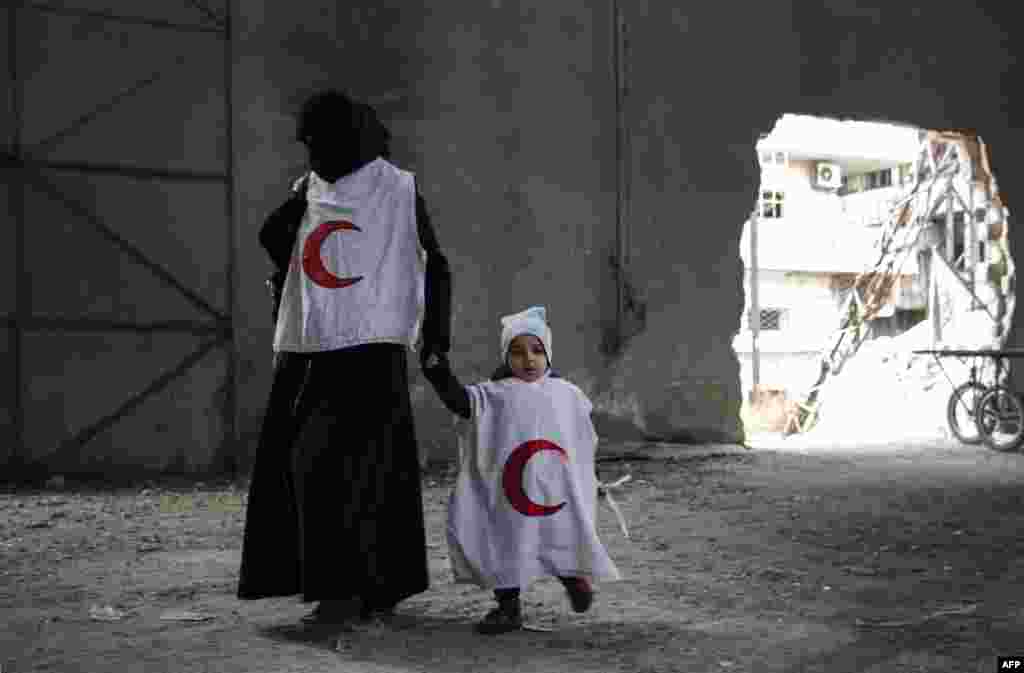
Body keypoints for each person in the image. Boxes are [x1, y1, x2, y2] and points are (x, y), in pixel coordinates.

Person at [237, 90, 453, 626]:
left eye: (317, 141)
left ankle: (359, 591)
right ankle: (347, 587)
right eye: (306, 142)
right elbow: (274, 238)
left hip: (368, 348)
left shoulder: (397, 189)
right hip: (315, 346)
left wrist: (435, 340)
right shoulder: (311, 189)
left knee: (362, 469)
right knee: (317, 466)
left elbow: (434, 264)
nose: (310, 151)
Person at [422, 306, 621, 634]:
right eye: (517, 352)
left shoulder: (567, 394)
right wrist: (437, 371)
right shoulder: (493, 395)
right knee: (507, 542)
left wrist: (589, 475)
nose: (528, 359)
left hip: (554, 488)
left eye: (536, 350)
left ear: (548, 354)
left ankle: (573, 577)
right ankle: (508, 607)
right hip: (507, 491)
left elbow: (581, 437)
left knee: (558, 533)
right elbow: (460, 401)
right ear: (505, 357)